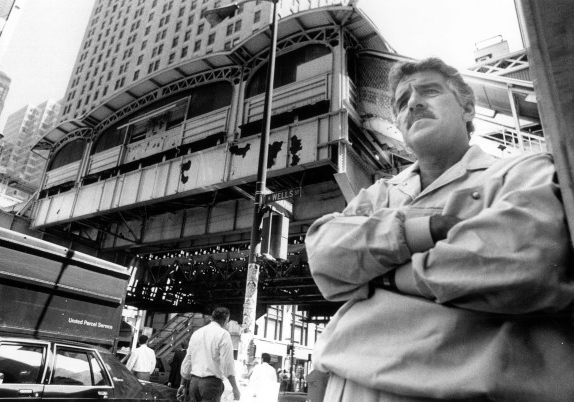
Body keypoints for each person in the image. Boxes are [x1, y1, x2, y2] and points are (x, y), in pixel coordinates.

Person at [305, 57, 574, 401]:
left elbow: (524, 265)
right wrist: (428, 230)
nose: (413, 103)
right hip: (347, 385)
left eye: (429, 91)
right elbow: (323, 254)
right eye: (402, 102)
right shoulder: (379, 193)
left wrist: (382, 274)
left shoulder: (522, 171)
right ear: (400, 126)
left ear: (467, 108)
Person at [177, 307, 241, 402]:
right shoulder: (223, 334)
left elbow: (188, 360)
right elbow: (227, 365)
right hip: (211, 384)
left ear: (212, 317)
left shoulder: (197, 333)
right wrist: (235, 388)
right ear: (226, 320)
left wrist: (182, 384)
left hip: (194, 383)